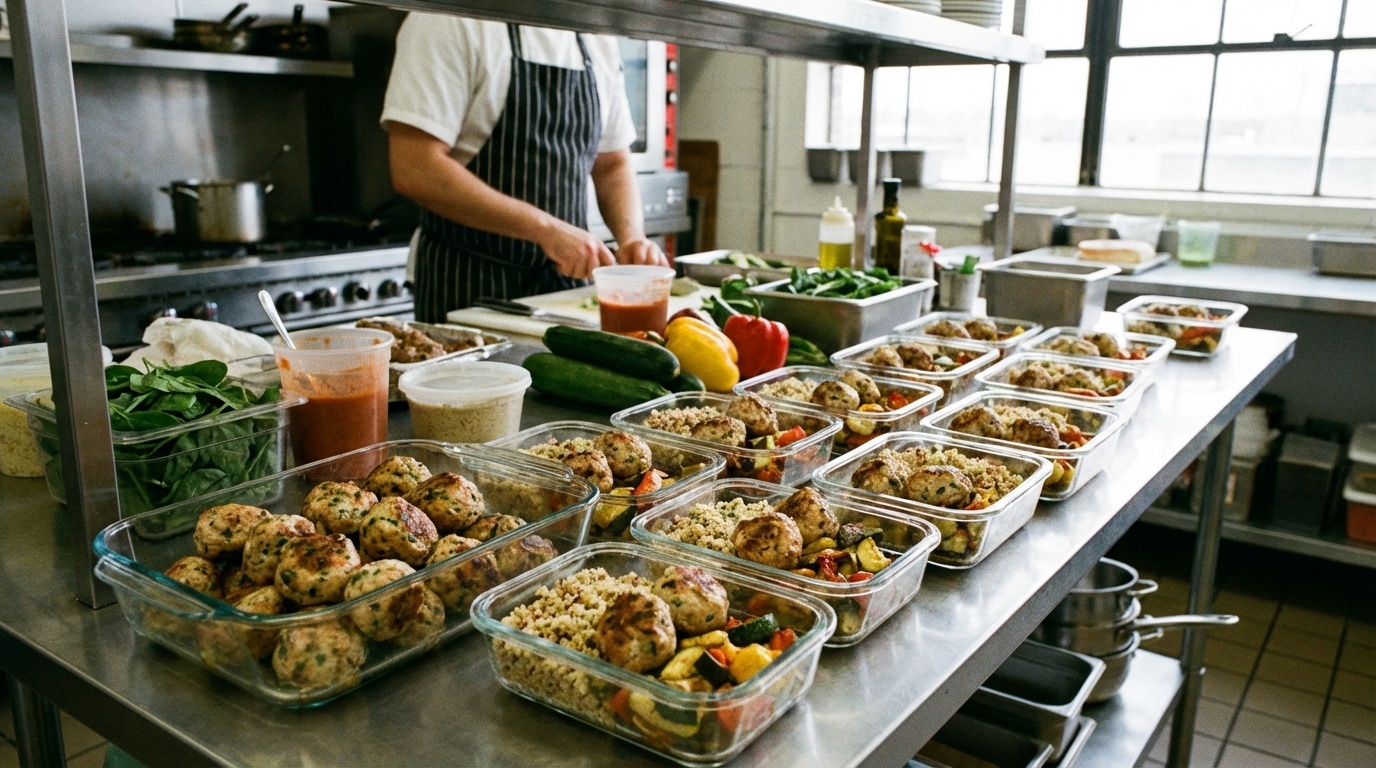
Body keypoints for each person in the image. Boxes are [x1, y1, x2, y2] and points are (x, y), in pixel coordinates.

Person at [382, 14, 668, 323]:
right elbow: (415, 167)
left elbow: (612, 163)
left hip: (563, 295)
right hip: (468, 287)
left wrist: (632, 239)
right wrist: (545, 230)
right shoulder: (450, 18)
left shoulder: (594, 35)